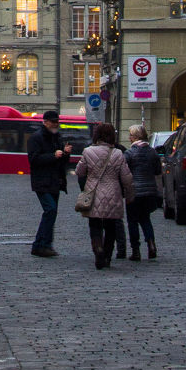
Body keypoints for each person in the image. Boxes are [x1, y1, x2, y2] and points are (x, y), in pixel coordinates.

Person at [75, 121, 134, 269]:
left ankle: (98, 249)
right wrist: (129, 194)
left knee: (94, 224)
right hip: (113, 191)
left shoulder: (88, 151)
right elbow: (126, 177)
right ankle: (107, 255)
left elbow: (79, 172)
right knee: (111, 226)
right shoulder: (118, 153)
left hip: (94, 192)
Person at [27, 109, 71, 257]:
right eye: (53, 122)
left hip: (55, 181)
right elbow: (34, 160)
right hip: (42, 181)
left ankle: (44, 244)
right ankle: (40, 245)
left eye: (57, 122)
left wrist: (65, 153)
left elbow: (61, 161)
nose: (56, 124)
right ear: (45, 122)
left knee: (51, 213)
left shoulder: (56, 137)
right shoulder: (36, 138)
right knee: (50, 210)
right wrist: (53, 155)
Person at [124, 125, 163, 261]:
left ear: (135, 137)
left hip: (134, 192)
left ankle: (136, 251)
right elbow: (158, 171)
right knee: (145, 218)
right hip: (149, 191)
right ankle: (151, 244)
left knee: (132, 221)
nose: (129, 138)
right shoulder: (153, 152)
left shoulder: (129, 153)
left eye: (130, 135)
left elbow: (124, 173)